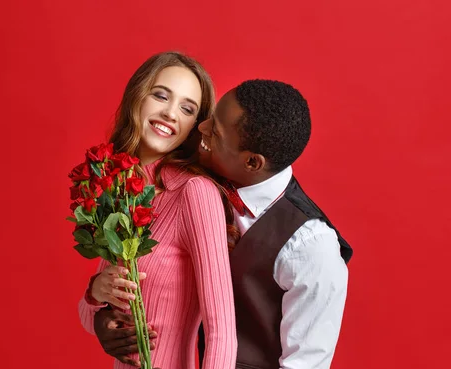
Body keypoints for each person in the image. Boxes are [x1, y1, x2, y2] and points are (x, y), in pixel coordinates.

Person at [93, 79, 353, 369]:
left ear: (252, 163)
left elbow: (305, 364)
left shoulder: (311, 246)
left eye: (214, 132)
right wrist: (103, 315)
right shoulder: (193, 178)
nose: (200, 128)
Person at [77, 52, 237, 369]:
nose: (170, 113)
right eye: (161, 95)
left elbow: (222, 331)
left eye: (187, 108)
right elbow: (88, 318)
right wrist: (96, 295)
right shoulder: (120, 191)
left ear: (195, 126)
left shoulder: (195, 192)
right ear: (138, 96)